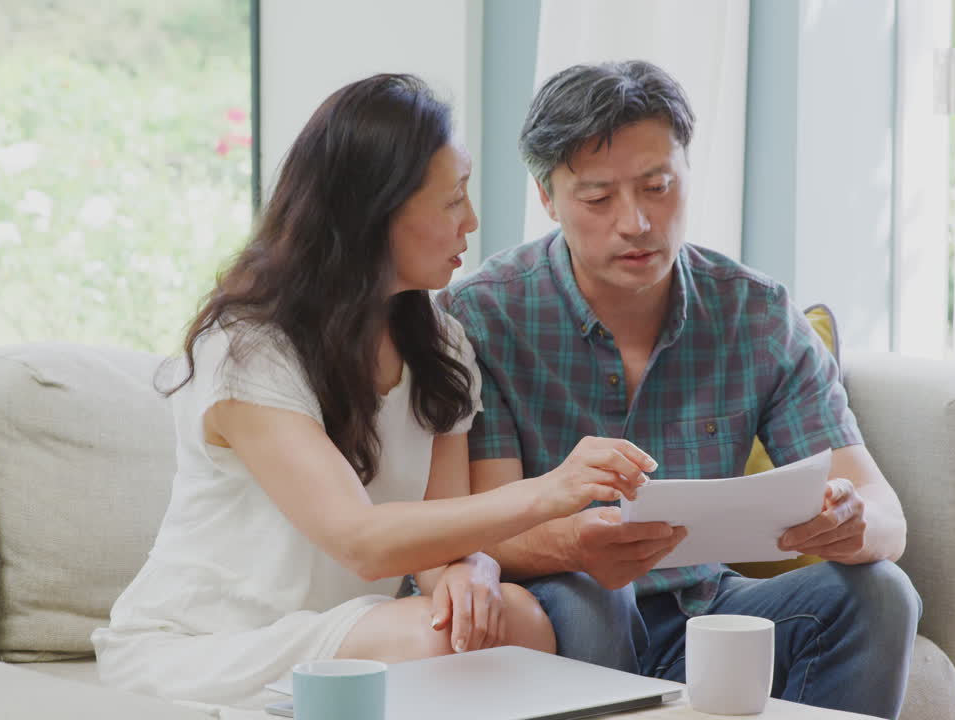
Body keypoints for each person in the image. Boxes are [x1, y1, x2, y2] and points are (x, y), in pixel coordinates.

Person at [90, 73, 654, 711]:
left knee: (517, 621)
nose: (471, 220)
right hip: (209, 642)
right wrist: (549, 494)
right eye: (452, 200)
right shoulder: (246, 348)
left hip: (345, 630)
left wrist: (471, 566)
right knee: (443, 643)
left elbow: (441, 531)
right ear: (376, 211)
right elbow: (359, 539)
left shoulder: (440, 344)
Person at [436, 60, 921, 720]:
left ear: (689, 174)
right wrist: (571, 545)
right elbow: (475, 526)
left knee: (881, 593)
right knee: (590, 595)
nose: (635, 222)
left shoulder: (754, 313)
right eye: (599, 198)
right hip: (570, 607)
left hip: (709, 607)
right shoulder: (484, 317)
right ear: (547, 198)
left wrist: (853, 526)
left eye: (658, 187)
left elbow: (882, 510)